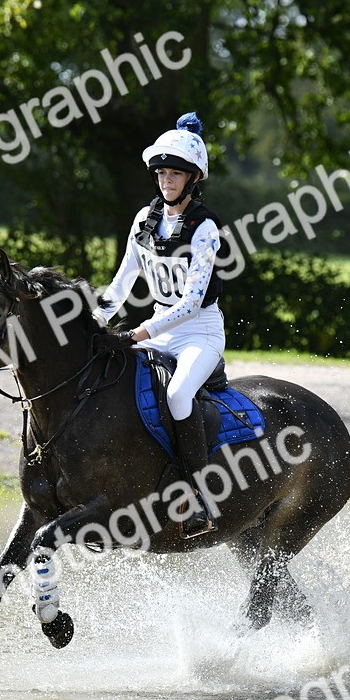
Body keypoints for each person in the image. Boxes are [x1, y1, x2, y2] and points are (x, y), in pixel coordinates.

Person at [94, 111, 226, 535]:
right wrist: (92, 322)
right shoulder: (143, 221)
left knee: (178, 395)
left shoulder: (205, 229)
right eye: (163, 173)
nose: (167, 181)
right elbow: (119, 286)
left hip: (197, 334)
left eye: (176, 174)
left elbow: (190, 304)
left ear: (193, 179)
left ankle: (199, 497)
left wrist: (138, 334)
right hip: (157, 329)